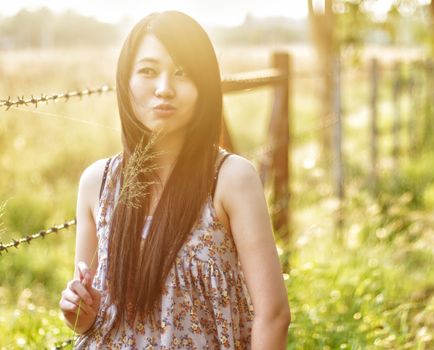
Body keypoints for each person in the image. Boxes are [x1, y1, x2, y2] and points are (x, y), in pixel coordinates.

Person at [58, 11, 290, 349]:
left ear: (204, 86)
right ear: (126, 81)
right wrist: (77, 311)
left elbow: (273, 314)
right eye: (148, 71)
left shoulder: (230, 179)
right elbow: (88, 321)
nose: (164, 89)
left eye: (182, 73)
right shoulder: (97, 183)